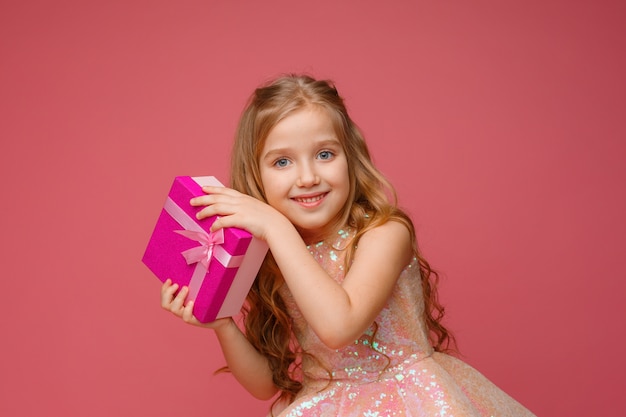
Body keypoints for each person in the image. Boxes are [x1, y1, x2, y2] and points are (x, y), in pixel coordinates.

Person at [161, 74, 536, 416]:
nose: (308, 177)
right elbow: (264, 386)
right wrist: (223, 324)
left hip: (415, 403)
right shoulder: (274, 255)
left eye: (325, 154)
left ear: (349, 157)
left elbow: (338, 326)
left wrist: (274, 226)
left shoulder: (385, 233)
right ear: (256, 175)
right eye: (282, 162)